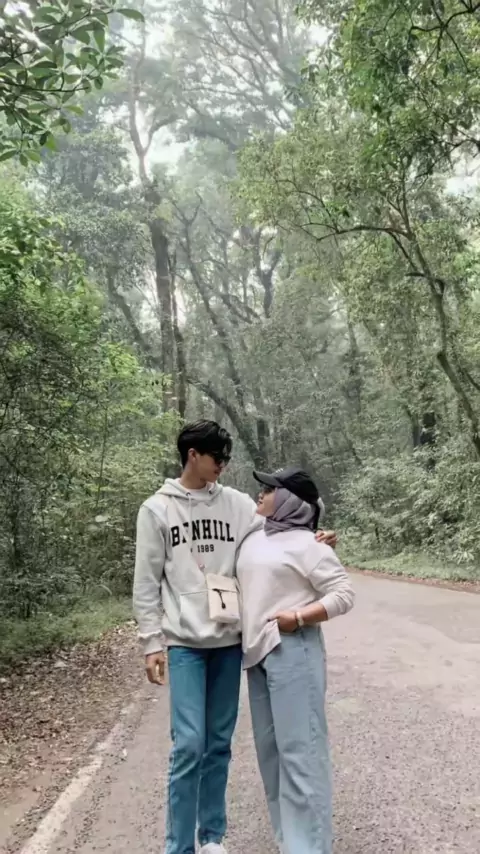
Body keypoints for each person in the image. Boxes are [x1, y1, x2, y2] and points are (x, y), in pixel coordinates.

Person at [133, 421, 337, 854]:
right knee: (189, 745)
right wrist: (151, 641)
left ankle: (211, 836)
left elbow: (281, 532)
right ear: (193, 455)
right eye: (217, 457)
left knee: (219, 744)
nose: (223, 465)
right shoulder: (156, 509)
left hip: (229, 643)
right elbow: (146, 581)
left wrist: (316, 536)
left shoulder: (238, 504)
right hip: (185, 643)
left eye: (226, 458)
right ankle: (179, 846)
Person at [236, 466, 354, 854]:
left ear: (289, 500)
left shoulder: (309, 545)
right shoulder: (255, 534)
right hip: (257, 656)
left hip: (294, 650)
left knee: (301, 754)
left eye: (270, 489)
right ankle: (290, 841)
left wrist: (299, 616)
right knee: (271, 755)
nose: (261, 493)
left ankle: (311, 847)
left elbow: (343, 594)